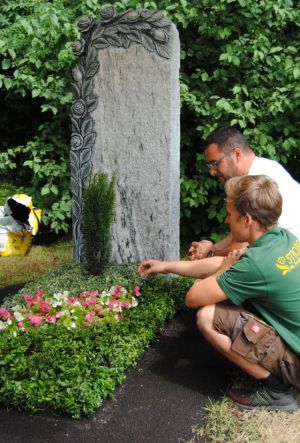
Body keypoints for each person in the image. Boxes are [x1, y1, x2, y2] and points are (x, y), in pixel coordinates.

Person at [138, 175, 300, 410]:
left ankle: (275, 390)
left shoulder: (255, 265)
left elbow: (193, 298)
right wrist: (167, 266)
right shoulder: (284, 239)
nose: (226, 220)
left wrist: (222, 270)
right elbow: (225, 265)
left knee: (207, 317)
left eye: (230, 215)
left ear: (246, 220)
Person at [189, 126, 300, 260]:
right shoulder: (265, 166)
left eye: (215, 163)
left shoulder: (255, 184)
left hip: (290, 258)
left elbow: (242, 248)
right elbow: (239, 234)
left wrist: (209, 254)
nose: (212, 172)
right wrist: (213, 248)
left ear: (237, 154)